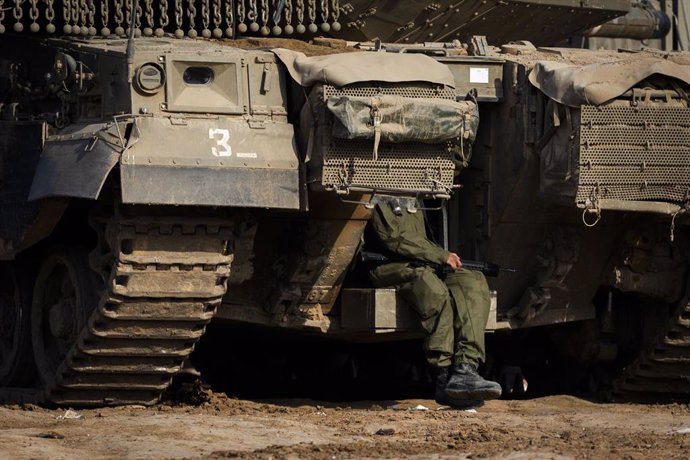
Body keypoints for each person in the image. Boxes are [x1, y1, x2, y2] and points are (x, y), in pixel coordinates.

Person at [366, 197, 502, 408]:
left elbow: (457, 165)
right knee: (434, 291)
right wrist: (439, 255)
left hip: (425, 261)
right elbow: (393, 237)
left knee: (473, 281)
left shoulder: (418, 185)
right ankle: (444, 375)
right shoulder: (380, 185)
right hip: (387, 265)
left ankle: (466, 369)